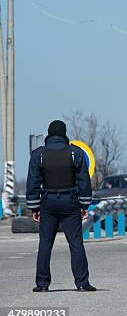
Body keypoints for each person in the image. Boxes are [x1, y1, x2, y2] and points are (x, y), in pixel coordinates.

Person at [26, 120, 96, 292]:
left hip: (48, 203)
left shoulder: (38, 155)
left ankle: (42, 285)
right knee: (75, 243)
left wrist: (35, 208)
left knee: (45, 243)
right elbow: (84, 182)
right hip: (70, 202)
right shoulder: (75, 153)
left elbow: (33, 184)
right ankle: (82, 283)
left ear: (49, 134)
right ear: (64, 134)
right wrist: (85, 205)